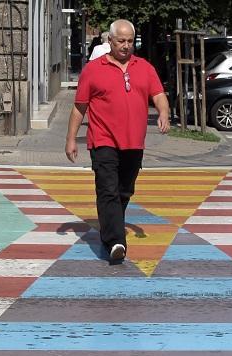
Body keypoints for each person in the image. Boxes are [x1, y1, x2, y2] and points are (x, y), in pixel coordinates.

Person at [65, 19, 170, 262]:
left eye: (130, 41)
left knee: (124, 191)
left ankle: (108, 228)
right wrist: (71, 139)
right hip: (103, 140)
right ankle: (116, 242)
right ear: (109, 41)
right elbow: (79, 107)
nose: (125, 46)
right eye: (121, 41)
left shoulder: (144, 67)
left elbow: (158, 95)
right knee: (108, 190)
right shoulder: (93, 70)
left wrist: (163, 113)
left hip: (134, 143)